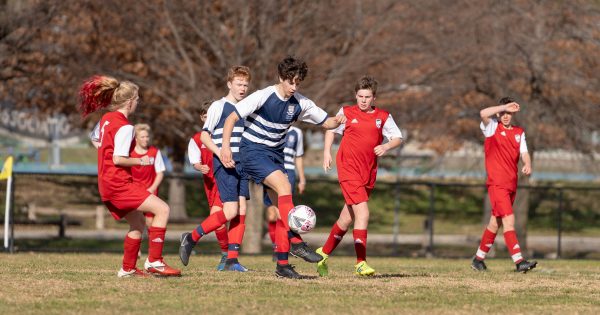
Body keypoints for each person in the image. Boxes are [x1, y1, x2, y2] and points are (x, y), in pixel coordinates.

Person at [220, 56, 346, 279]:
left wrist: (346, 117)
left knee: (281, 210)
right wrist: (226, 148)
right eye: (290, 82)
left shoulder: (301, 103)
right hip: (252, 151)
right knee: (285, 186)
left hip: (275, 155)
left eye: (298, 82)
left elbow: (328, 122)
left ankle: (283, 265)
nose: (293, 87)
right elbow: (231, 118)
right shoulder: (263, 96)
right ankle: (296, 242)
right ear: (281, 78)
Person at [79, 75, 180, 277]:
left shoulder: (107, 119)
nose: (138, 102)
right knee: (163, 209)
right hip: (119, 184)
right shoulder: (125, 127)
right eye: (137, 99)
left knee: (138, 223)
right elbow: (118, 159)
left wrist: (104, 153)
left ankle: (127, 269)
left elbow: (95, 139)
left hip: (106, 184)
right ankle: (155, 262)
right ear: (129, 101)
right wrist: (139, 161)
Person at [316, 76, 403, 277]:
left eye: (367, 97)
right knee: (363, 214)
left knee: (346, 219)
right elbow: (330, 129)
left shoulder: (383, 116)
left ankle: (323, 252)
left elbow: (398, 137)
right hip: (348, 169)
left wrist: (386, 146)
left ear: (374, 98)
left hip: (368, 172)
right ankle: (360, 262)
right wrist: (327, 152)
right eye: (360, 96)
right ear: (356, 95)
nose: (363, 100)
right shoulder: (346, 112)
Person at [179, 66, 251, 272]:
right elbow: (204, 136)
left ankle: (232, 261)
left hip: (241, 164)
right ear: (229, 84)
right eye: (239, 84)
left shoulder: (246, 108)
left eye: (245, 84)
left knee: (241, 211)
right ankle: (191, 237)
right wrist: (221, 154)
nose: (243, 88)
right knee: (229, 211)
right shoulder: (218, 106)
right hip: (224, 162)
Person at [471, 97, 537, 273]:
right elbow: (483, 113)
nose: (506, 116)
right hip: (497, 184)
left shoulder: (519, 132)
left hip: (511, 184)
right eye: (503, 113)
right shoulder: (492, 127)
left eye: (509, 113)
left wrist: (528, 164)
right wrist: (503, 107)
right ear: (499, 113)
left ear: (513, 114)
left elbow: (524, 153)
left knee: (495, 223)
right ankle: (519, 261)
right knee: (509, 220)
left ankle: (478, 259)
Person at [187, 100, 230, 271]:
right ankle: (228, 255)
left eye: (211, 115)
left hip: (226, 179)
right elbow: (194, 161)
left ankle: (227, 255)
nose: (208, 118)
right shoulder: (197, 139)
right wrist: (200, 167)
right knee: (221, 222)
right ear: (201, 117)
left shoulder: (224, 134)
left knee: (219, 218)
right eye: (205, 116)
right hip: (211, 184)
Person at [265, 126, 306, 257]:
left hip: (289, 170)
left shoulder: (297, 132)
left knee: (282, 212)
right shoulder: (271, 124)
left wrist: (302, 179)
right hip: (270, 169)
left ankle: (281, 249)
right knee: (272, 213)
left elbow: (298, 157)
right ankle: (277, 247)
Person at [129, 124, 166, 228]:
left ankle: (152, 243)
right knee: (136, 223)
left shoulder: (154, 152)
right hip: (135, 192)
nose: (146, 139)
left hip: (150, 191)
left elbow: (160, 173)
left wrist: (152, 188)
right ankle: (137, 243)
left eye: (147, 136)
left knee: (150, 222)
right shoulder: (130, 154)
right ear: (136, 138)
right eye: (142, 137)